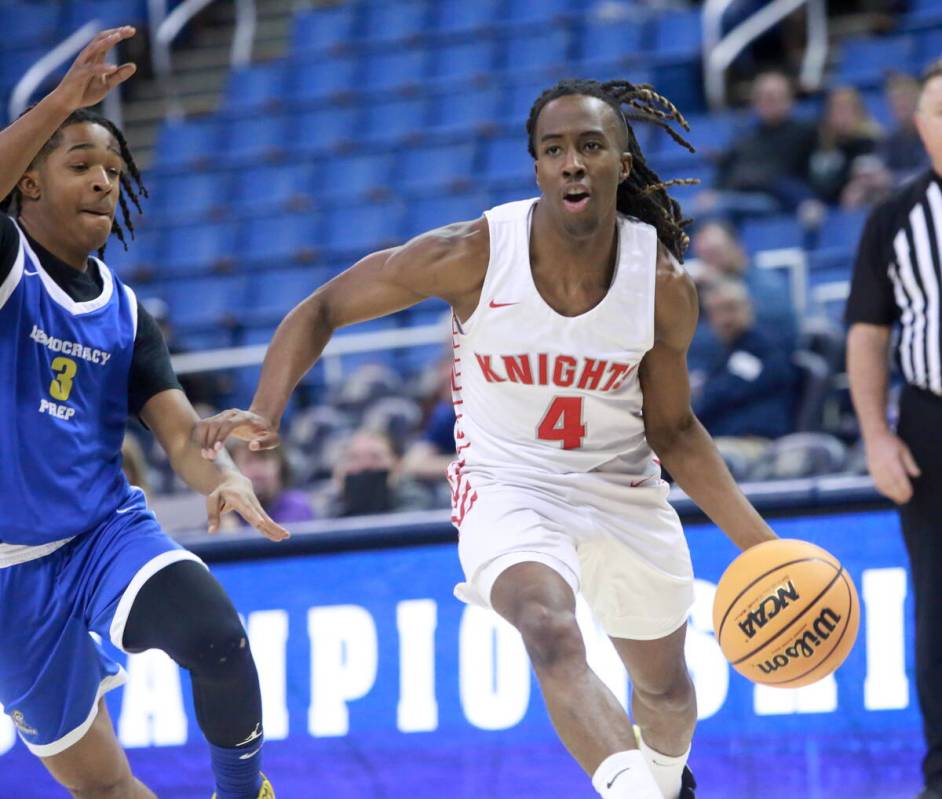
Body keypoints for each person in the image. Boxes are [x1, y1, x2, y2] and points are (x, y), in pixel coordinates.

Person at [196, 77, 780, 799]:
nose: (572, 162)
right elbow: (324, 308)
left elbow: (675, 430)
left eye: (591, 146)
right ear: (536, 167)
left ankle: (664, 781)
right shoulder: (475, 251)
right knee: (548, 626)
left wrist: (767, 547)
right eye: (554, 149)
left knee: (666, 692)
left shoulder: (660, 283)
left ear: (621, 164)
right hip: (509, 484)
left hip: (623, 484)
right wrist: (266, 407)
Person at [0, 29, 287, 799]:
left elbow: (179, 432)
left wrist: (220, 474)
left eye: (113, 171)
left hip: (100, 532)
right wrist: (61, 100)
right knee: (102, 786)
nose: (104, 182)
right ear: (26, 184)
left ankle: (245, 792)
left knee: (218, 637)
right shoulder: (9, 269)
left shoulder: (127, 314)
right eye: (82, 165)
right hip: (7, 575)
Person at [846, 58, 942, 799]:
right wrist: (877, 437)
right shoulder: (896, 217)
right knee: (939, 608)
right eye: (939, 111)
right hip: (930, 424)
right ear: (920, 126)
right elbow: (868, 334)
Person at [693, 279, 797, 466]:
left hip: (754, 444)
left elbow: (720, 395)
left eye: (730, 308)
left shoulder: (764, 349)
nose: (725, 319)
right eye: (716, 312)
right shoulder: (724, 354)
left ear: (749, 307)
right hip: (722, 441)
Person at [696, 70, 817, 218]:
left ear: (789, 100)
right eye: (761, 97)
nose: (766, 102)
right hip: (737, 197)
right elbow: (726, 170)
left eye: (773, 97)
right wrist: (713, 192)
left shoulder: (805, 133)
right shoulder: (745, 137)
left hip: (775, 201)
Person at [808, 86, 882, 205]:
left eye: (847, 109)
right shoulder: (820, 144)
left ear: (859, 112)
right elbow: (818, 185)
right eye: (836, 110)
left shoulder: (871, 141)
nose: (842, 116)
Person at [228, 439, 315, 525]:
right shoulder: (225, 510)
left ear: (280, 466)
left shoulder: (296, 506)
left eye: (264, 459)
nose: (257, 470)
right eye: (248, 461)